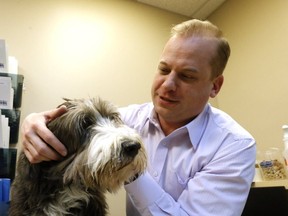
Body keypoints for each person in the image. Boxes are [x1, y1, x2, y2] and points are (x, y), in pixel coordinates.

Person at [21, 19, 256, 216]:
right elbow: (79, 122)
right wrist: (34, 123)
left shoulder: (233, 146)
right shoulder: (127, 119)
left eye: (186, 76)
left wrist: (129, 166)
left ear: (215, 86)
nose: (168, 85)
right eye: (164, 70)